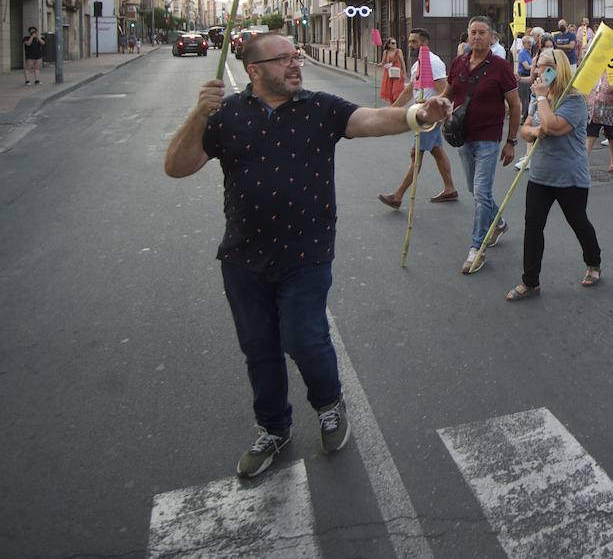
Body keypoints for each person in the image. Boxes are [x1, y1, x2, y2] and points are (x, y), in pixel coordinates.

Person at [163, 34, 452, 478]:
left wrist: (418, 114)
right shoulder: (227, 116)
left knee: (304, 338)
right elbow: (178, 166)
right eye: (283, 59)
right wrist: (197, 114)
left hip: (307, 251)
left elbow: (372, 118)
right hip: (243, 256)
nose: (295, 64)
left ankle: (329, 404)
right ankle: (273, 428)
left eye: (296, 56)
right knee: (259, 348)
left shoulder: (320, 108)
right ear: (254, 70)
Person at [506, 49, 602, 301]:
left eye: (547, 65)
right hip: (540, 175)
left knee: (578, 222)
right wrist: (534, 131)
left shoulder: (574, 100)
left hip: (570, 176)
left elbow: (553, 126)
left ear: (559, 68)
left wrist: (540, 102)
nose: (539, 70)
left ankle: (593, 262)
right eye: (538, 65)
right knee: (533, 227)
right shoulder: (540, 95)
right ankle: (530, 282)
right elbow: (525, 129)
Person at [446, 16, 522, 275]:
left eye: (482, 33)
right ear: (467, 35)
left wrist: (511, 142)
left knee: (480, 192)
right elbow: (448, 94)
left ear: (492, 37)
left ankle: (476, 249)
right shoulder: (458, 63)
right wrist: (429, 108)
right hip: (462, 138)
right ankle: (498, 223)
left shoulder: (500, 66)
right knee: (475, 190)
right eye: (473, 32)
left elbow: (515, 105)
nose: (477, 37)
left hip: (489, 139)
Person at [378, 29, 460, 207]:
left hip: (428, 117)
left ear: (424, 43)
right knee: (437, 150)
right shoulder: (418, 64)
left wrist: (439, 110)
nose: (410, 45)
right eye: (409, 41)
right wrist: (392, 110)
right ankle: (450, 188)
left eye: (414, 42)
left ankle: (398, 195)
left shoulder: (433, 62)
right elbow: (409, 91)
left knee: (416, 155)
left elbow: (444, 90)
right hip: (420, 113)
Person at [586, 69, 613, 174]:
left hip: (611, 111)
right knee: (590, 135)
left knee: (612, 137)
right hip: (594, 109)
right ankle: (583, 162)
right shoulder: (594, 68)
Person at [379, 37, 407, 105]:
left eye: (395, 43)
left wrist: (404, 73)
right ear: (389, 45)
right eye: (393, 43)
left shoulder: (398, 51)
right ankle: (393, 106)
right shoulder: (386, 52)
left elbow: (402, 62)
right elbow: (383, 63)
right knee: (390, 91)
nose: (395, 44)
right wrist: (378, 65)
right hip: (389, 74)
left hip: (398, 73)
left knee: (396, 90)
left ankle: (397, 105)